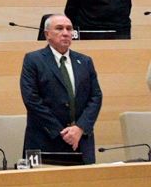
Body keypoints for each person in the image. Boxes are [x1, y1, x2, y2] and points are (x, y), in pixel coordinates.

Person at [20, 14, 103, 164]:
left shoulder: (85, 61)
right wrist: (62, 133)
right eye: (59, 28)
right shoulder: (33, 60)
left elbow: (96, 96)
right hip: (45, 138)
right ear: (47, 34)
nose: (66, 33)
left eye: (69, 29)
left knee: (84, 186)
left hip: (81, 140)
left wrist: (80, 128)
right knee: (43, 186)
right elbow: (31, 99)